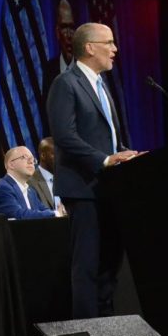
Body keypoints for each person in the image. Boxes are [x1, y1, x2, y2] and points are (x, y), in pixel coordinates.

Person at [47, 22, 138, 319]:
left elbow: (108, 136)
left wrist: (125, 154)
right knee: (87, 265)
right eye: (109, 42)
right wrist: (104, 160)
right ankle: (89, 335)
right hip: (83, 189)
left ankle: (109, 332)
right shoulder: (66, 83)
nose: (115, 49)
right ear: (89, 48)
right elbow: (64, 136)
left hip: (110, 189)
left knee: (109, 264)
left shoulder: (101, 85)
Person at [0, 146, 59, 220]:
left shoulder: (30, 190)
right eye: (24, 157)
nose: (31, 162)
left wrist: (58, 211)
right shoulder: (2, 188)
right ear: (11, 164)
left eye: (32, 159)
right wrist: (55, 213)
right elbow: (19, 215)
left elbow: (43, 210)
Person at [42, 0, 76, 102]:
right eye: (65, 27)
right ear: (57, 32)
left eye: (72, 27)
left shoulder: (85, 69)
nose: (69, 35)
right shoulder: (49, 71)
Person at [29, 136, 64, 214]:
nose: (59, 159)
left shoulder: (66, 178)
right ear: (43, 156)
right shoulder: (30, 182)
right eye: (55, 154)